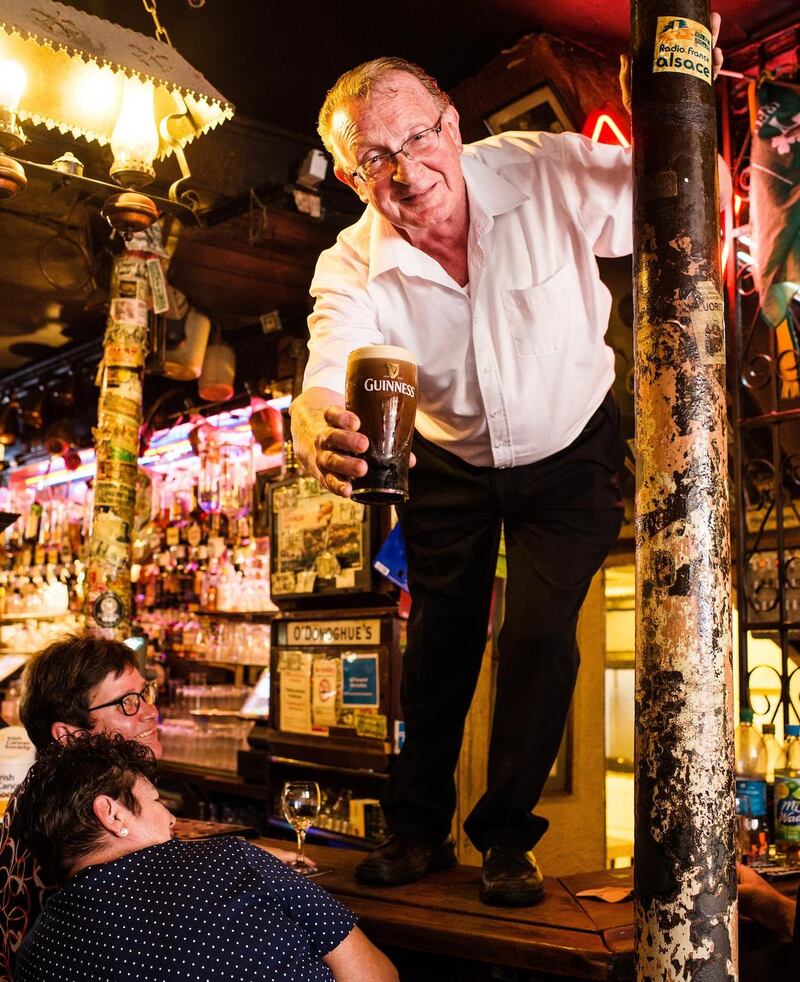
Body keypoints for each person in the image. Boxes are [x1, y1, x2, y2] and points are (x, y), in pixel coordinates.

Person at [291, 24, 723, 907]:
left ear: (451, 125)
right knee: (440, 643)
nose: (406, 170)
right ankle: (417, 830)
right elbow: (329, 362)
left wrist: (675, 113)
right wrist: (313, 417)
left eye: (418, 137)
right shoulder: (350, 265)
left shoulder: (544, 169)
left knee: (537, 636)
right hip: (450, 460)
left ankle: (505, 839)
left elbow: (683, 200)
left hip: (572, 447)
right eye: (375, 158)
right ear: (349, 178)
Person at [0, 635, 300, 980]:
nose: (150, 712)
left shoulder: (46, 794)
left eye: (145, 694)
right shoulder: (71, 815)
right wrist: (242, 860)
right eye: (127, 703)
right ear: (70, 735)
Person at [12, 732, 397, 982]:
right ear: (112, 814)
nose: (171, 818)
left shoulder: (35, 953)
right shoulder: (232, 860)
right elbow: (375, 976)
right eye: (156, 801)